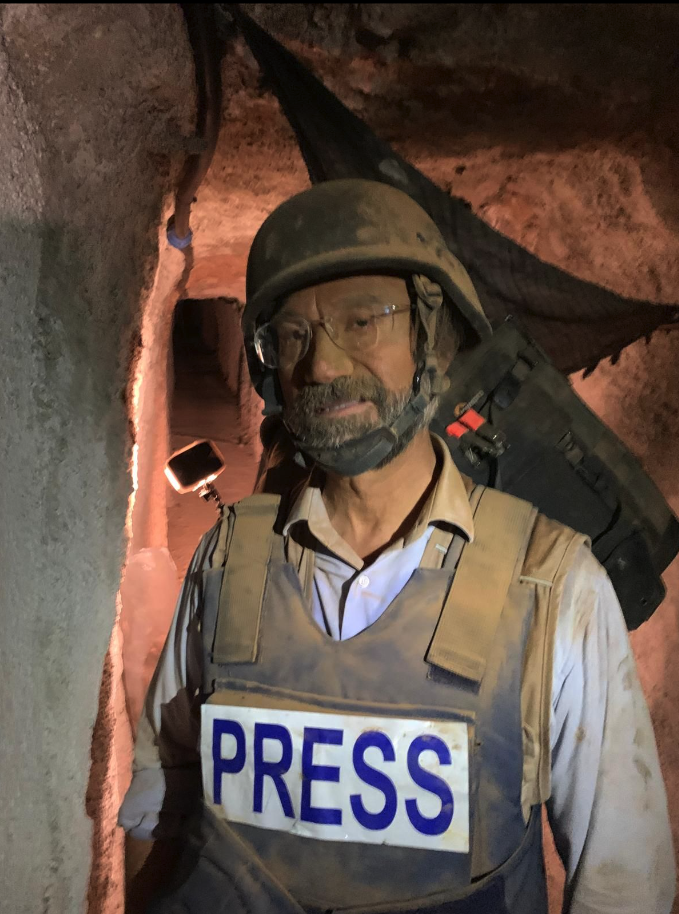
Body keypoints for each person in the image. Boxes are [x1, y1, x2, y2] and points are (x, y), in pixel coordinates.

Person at [120, 179, 675, 914]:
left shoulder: (552, 587)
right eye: (294, 335)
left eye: (363, 321)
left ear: (430, 338)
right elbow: (160, 811)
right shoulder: (224, 560)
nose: (323, 366)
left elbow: (622, 885)